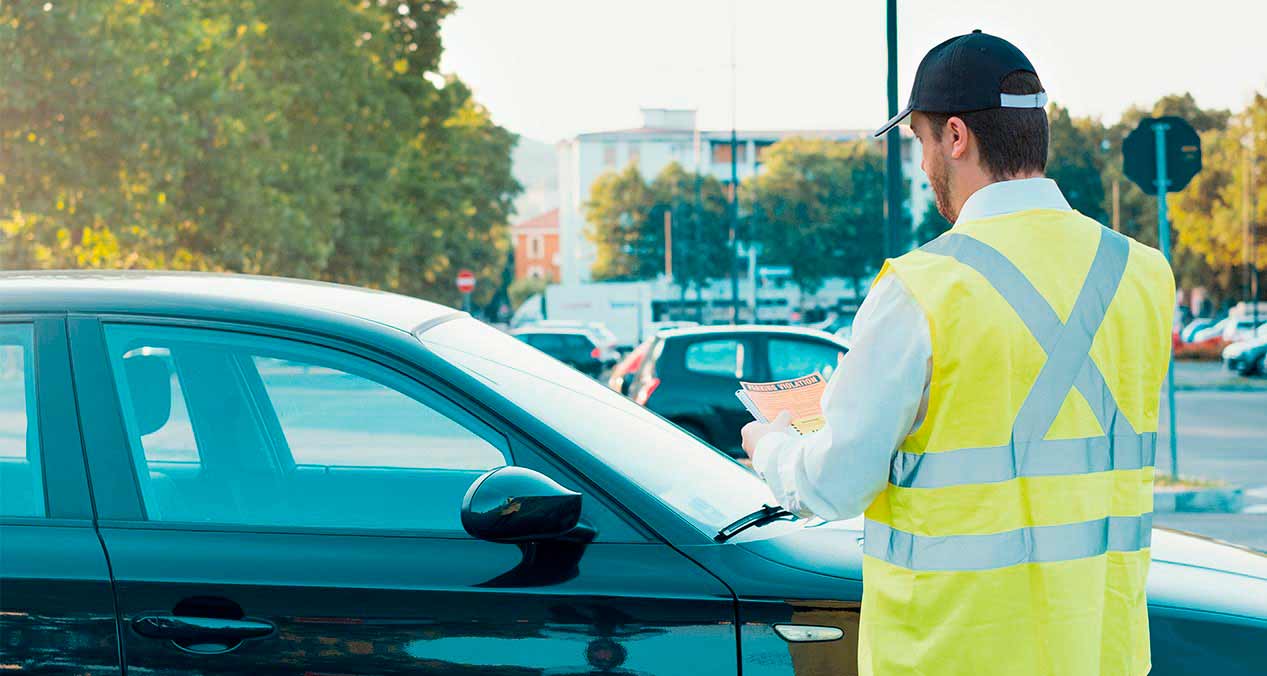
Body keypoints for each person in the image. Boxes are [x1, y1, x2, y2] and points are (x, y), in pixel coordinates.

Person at [741, 30, 1174, 676]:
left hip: (950, 656)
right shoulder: (1143, 275)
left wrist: (769, 446)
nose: (920, 167)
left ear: (954, 137)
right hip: (1099, 655)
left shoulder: (919, 289)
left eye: (918, 142)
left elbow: (831, 485)